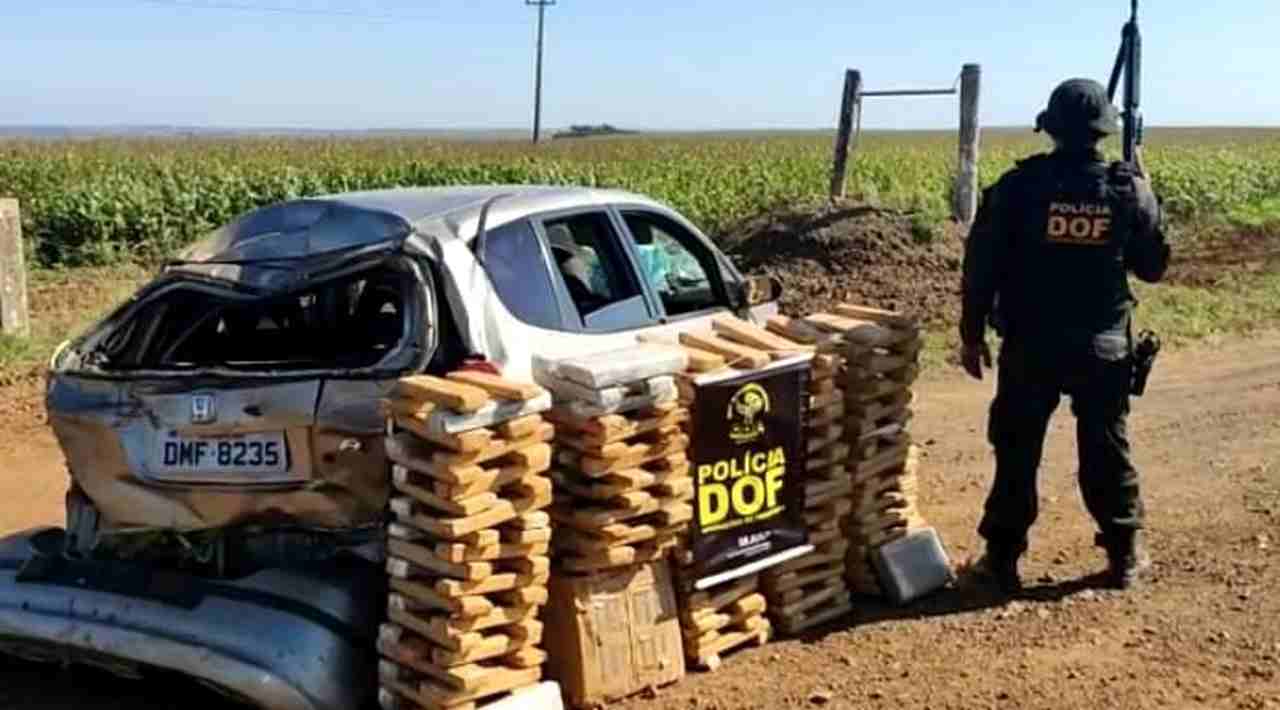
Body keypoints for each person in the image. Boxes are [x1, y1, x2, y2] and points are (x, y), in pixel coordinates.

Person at [959, 78, 1170, 593]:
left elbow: (981, 267)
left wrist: (971, 334)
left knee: (1016, 449)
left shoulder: (1018, 188)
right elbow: (1153, 268)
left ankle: (1001, 561)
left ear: (1050, 129)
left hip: (1032, 344)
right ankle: (1125, 556)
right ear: (1103, 132)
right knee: (1106, 447)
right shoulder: (1126, 189)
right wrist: (1147, 201)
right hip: (1103, 347)